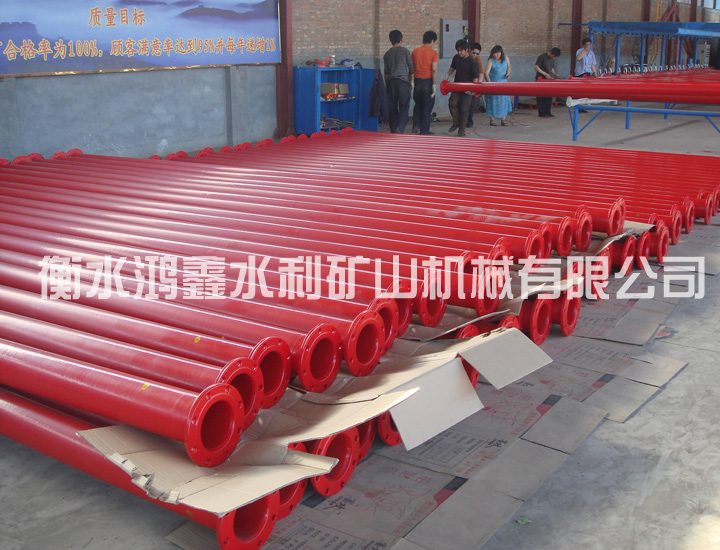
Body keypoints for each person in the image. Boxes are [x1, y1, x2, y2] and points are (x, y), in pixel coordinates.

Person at [443, 39, 479, 137]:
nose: (459, 52)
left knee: (464, 109)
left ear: (466, 50)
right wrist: (446, 78)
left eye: (461, 50)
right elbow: (452, 68)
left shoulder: (472, 61)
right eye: (458, 50)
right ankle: (456, 122)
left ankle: (461, 130)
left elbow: (475, 77)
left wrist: (473, 89)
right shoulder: (456, 58)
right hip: (457, 86)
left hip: (468, 89)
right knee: (452, 103)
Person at [383, 29, 414, 134]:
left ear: (390, 40)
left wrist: (388, 85)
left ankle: (393, 129)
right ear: (401, 39)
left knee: (392, 107)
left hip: (392, 83)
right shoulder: (405, 51)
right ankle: (400, 128)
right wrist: (412, 81)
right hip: (403, 83)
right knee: (404, 107)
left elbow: (386, 72)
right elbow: (411, 68)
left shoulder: (387, 54)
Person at [411, 30, 439, 135]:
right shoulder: (433, 53)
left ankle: (416, 125)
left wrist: (412, 81)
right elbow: (434, 70)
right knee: (427, 106)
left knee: (418, 104)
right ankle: (424, 130)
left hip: (417, 81)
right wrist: (434, 84)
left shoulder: (415, 52)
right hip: (428, 82)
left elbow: (411, 68)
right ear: (432, 40)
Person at [483, 44, 512, 126]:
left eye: (498, 53)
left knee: (504, 101)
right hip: (493, 84)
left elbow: (509, 67)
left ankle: (503, 119)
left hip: (503, 83)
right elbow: (486, 73)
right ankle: (492, 119)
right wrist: (489, 83)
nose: (496, 55)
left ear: (501, 53)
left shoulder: (506, 58)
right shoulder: (491, 61)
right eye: (494, 53)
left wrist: (507, 74)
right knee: (493, 101)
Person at [534, 47, 561, 118]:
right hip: (540, 79)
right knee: (541, 96)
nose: (554, 58)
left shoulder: (552, 59)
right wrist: (545, 74)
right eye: (554, 56)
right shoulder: (542, 57)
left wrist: (555, 74)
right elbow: (536, 67)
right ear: (551, 53)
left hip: (548, 79)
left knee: (549, 96)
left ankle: (548, 111)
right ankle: (542, 112)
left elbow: (551, 68)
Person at [467, 42, 485, 128]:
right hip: (465, 83)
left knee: (471, 104)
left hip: (473, 85)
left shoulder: (478, 60)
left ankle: (469, 121)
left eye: (477, 54)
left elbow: (481, 73)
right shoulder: (465, 58)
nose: (475, 55)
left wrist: (478, 85)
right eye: (474, 53)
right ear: (469, 50)